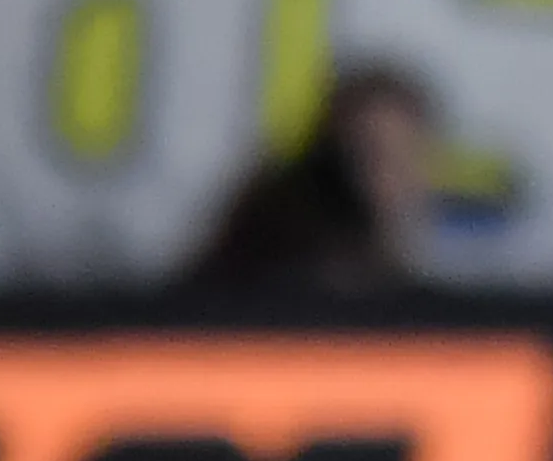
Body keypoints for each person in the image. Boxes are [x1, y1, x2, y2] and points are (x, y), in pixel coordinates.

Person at [183, 63, 436, 294]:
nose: (402, 177)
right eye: (378, 157)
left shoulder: (409, 278)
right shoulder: (296, 267)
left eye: (410, 155)